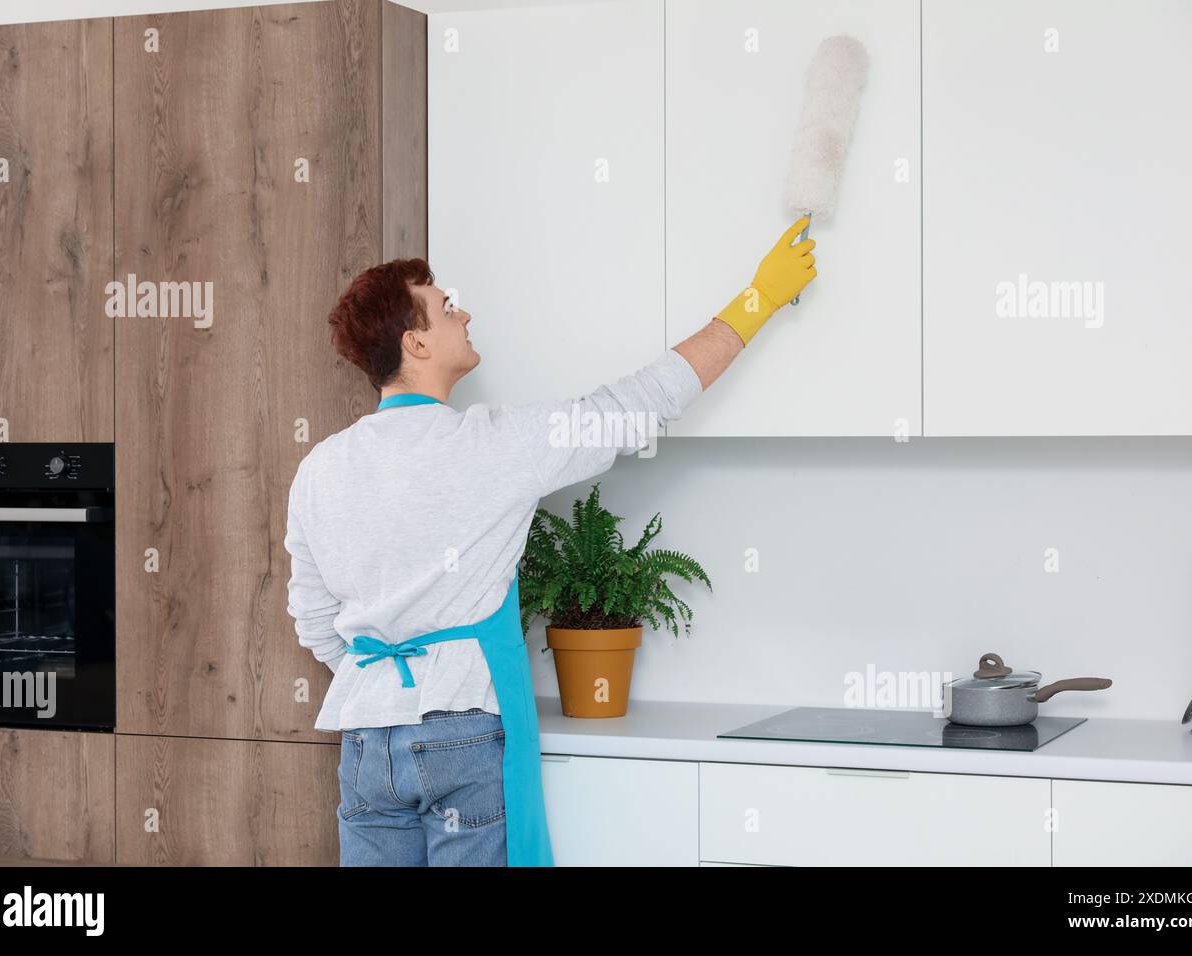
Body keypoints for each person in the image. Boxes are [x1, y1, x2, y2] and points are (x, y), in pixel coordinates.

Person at [283, 216, 816, 866]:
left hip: (366, 741)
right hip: (462, 734)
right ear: (415, 343)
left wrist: (396, 686)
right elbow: (640, 403)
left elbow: (315, 622)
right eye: (446, 307)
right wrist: (754, 301)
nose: (465, 313)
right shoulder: (493, 446)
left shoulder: (321, 468)